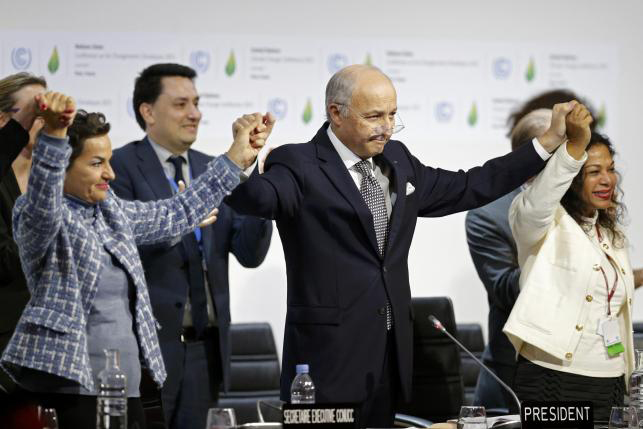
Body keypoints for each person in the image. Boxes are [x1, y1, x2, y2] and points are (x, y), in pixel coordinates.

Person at [226, 64, 576, 427]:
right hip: (325, 365)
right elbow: (256, 201)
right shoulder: (298, 163)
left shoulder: (399, 160)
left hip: (389, 361)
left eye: (392, 114)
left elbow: (473, 184)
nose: (387, 127)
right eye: (374, 116)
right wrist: (239, 160)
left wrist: (548, 142)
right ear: (336, 112)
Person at [0, 90, 265, 428]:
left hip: (128, 388)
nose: (110, 173)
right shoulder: (39, 215)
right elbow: (43, 201)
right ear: (62, 168)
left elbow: (177, 211)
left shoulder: (111, 212)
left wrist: (235, 159)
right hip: (67, 392)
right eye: (97, 163)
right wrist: (53, 137)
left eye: (109, 161)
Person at [110, 63, 273, 429]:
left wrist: (260, 185)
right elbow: (124, 245)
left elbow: (249, 253)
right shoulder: (118, 167)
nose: (195, 113)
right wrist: (182, 217)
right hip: (147, 350)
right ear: (148, 111)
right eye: (181, 104)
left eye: (197, 103)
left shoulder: (214, 168)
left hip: (206, 350)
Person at [503, 108, 643, 420]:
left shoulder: (610, 233)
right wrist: (574, 146)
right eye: (594, 172)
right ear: (570, 175)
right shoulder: (539, 220)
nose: (607, 179)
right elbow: (540, 199)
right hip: (553, 376)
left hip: (610, 378)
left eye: (611, 169)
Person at [465, 108, 552, 412]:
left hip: (586, 366)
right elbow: (506, 290)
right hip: (515, 374)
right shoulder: (488, 214)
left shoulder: (588, 207)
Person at [0, 73, 47, 396]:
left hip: (58, 344)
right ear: (4, 119)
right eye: (35, 113)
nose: (45, 121)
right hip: (7, 344)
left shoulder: (63, 175)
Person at [0, 73, 45, 181]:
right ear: (2, 119)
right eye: (36, 111)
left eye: (47, 112)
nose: (46, 121)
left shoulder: (50, 173)